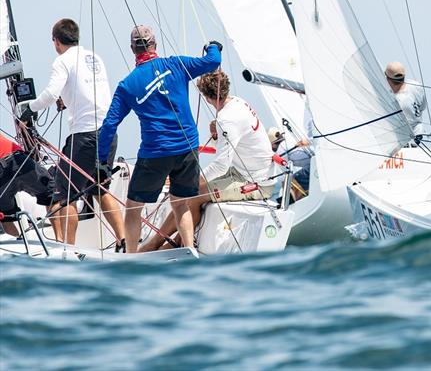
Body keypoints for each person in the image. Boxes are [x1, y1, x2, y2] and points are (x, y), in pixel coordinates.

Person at [97, 25, 221, 253]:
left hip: (156, 153)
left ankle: (131, 259)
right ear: (155, 44)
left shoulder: (127, 85)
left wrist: (101, 161)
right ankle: (188, 252)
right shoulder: (176, 64)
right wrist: (213, 46)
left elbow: (109, 126)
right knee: (181, 203)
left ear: (132, 49)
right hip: (188, 147)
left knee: (134, 208)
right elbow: (213, 61)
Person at [140, 70, 276, 251]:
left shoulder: (227, 120)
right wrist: (216, 135)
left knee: (192, 195)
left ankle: (163, 245)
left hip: (255, 182)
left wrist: (188, 181)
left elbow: (221, 165)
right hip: (241, 172)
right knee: (189, 193)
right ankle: (163, 243)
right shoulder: (236, 102)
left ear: (205, 96)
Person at [23, 19, 124, 246]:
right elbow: (88, 92)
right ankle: (124, 240)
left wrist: (29, 109)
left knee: (64, 193)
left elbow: (50, 94)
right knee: (99, 188)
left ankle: (68, 250)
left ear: (56, 42)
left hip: (85, 135)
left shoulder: (62, 61)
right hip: (108, 132)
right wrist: (67, 101)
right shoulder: (94, 57)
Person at [0, 138, 55, 237]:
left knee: (5, 216)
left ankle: (17, 248)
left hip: (6, 168)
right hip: (16, 158)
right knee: (53, 196)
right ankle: (63, 243)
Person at [268, 126, 313, 200]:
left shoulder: (280, 150)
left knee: (289, 182)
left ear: (271, 143)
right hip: (314, 161)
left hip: (315, 163)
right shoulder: (288, 141)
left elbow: (286, 169)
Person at [384, 61, 427, 138]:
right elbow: (422, 107)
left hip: (405, 139)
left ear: (388, 79)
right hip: (419, 132)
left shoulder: (396, 100)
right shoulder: (417, 86)